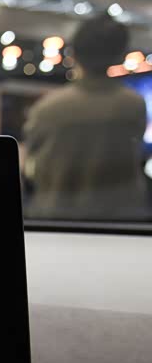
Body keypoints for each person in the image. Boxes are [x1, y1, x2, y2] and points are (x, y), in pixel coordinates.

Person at [23, 13, 149, 220]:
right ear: (120, 54)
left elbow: (31, 166)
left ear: (74, 53)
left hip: (54, 220)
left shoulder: (47, 109)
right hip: (123, 222)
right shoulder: (133, 105)